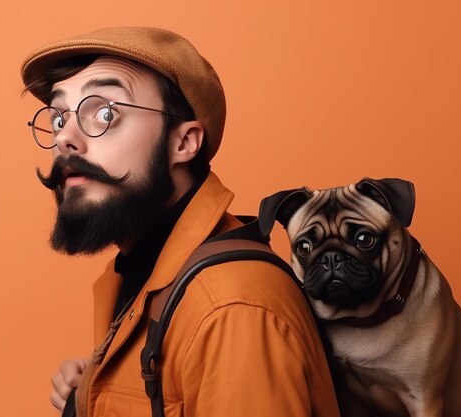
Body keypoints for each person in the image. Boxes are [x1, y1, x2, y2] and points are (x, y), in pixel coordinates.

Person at [21, 27, 340, 417]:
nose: (66, 138)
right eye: (57, 118)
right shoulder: (141, 276)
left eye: (104, 112)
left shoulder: (232, 309)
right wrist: (98, 391)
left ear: (185, 142)